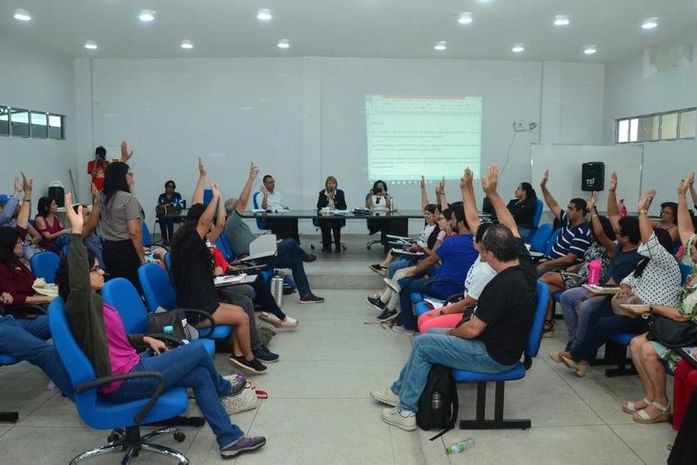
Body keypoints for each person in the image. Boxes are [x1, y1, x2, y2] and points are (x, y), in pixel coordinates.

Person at [56, 194, 266, 458]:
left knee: (200, 375)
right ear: (80, 277)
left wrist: (144, 340)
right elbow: (78, 282)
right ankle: (224, 388)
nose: (101, 272)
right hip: (124, 381)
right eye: (94, 269)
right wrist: (76, 232)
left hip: (134, 366)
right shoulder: (79, 305)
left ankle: (229, 439)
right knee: (199, 351)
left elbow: (112, 339)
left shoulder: (95, 302)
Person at [370, 223, 537, 431]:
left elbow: (472, 330)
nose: (482, 257)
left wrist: (453, 333)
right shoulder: (524, 272)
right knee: (430, 335)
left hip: (494, 356)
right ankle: (399, 390)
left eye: (483, 252)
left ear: (493, 253)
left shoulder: (502, 285)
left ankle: (405, 411)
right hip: (500, 346)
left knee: (423, 344)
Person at [557, 192, 680, 377]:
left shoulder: (667, 263)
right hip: (632, 308)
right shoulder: (645, 262)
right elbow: (628, 280)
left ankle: (576, 355)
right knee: (596, 312)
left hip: (651, 316)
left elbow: (650, 243)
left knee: (604, 323)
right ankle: (581, 358)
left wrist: (643, 211)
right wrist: (625, 288)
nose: (644, 245)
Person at [170, 174, 267, 374]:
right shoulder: (189, 245)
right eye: (207, 221)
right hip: (195, 309)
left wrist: (219, 197)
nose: (212, 225)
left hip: (205, 301)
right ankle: (248, 358)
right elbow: (204, 222)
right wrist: (213, 198)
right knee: (242, 318)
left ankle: (239, 356)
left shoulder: (198, 242)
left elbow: (220, 223)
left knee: (241, 312)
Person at [622, 178, 697, 423]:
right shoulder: (694, 265)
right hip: (679, 325)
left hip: (688, 332)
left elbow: (683, 316)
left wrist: (643, 211)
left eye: (693, 247)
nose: (689, 248)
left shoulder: (669, 263)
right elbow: (686, 231)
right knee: (636, 344)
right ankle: (652, 397)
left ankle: (662, 405)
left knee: (646, 348)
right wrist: (683, 196)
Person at [553, 177, 644, 358]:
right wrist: (609, 194)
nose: (616, 232)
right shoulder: (620, 246)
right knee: (567, 296)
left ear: (626, 238)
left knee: (586, 307)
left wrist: (592, 210)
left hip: (612, 294)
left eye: (619, 233)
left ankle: (578, 350)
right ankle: (575, 340)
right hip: (600, 289)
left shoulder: (636, 256)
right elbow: (612, 217)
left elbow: (601, 233)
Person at [224, 162, 324, 304]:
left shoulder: (239, 224)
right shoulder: (231, 225)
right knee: (290, 242)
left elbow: (249, 239)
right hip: (253, 259)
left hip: (261, 253)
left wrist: (264, 241)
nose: (243, 210)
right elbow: (241, 202)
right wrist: (251, 179)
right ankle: (305, 256)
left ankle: (306, 295)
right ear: (232, 213)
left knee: (295, 260)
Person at [391, 203, 478, 334]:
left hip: (443, 287)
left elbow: (431, 259)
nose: (450, 222)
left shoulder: (451, 241)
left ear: (460, 222)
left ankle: (408, 326)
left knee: (404, 284)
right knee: (423, 268)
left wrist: (413, 272)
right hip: (461, 286)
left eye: (452, 219)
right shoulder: (476, 242)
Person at [537, 169, 592, 336]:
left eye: (570, 208)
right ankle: (547, 324)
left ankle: (545, 324)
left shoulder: (582, 232)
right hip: (553, 264)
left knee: (540, 281)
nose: (566, 211)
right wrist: (543, 186)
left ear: (580, 212)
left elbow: (570, 259)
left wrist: (547, 263)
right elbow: (552, 205)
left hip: (565, 269)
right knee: (545, 286)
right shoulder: (569, 222)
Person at [87, 141, 144, 292]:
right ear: (123, 177)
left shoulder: (102, 195)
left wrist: (123, 160)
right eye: (129, 174)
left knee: (118, 284)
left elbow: (113, 172)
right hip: (125, 250)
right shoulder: (128, 199)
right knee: (131, 287)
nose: (132, 176)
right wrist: (142, 259)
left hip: (108, 249)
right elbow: (134, 232)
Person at [258, 175, 299, 243]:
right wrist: (265, 195)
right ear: (265, 184)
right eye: (270, 182)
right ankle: (284, 242)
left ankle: (295, 242)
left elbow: (284, 206)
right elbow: (263, 208)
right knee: (285, 220)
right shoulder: (260, 195)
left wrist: (287, 210)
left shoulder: (278, 194)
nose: (273, 184)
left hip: (281, 213)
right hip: (270, 216)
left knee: (293, 218)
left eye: (273, 182)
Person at [316, 176, 347, 253]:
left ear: (336, 185)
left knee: (336, 224)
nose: (331, 185)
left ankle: (337, 245)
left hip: (336, 215)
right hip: (325, 215)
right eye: (329, 183)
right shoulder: (322, 193)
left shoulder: (339, 193)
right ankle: (327, 246)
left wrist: (334, 199)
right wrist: (327, 199)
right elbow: (319, 206)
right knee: (324, 224)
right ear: (326, 185)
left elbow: (344, 206)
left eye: (333, 183)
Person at [156, 180, 184, 245]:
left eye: (172, 187)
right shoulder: (162, 196)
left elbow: (181, 205)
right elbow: (159, 206)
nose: (170, 188)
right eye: (169, 186)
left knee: (169, 218)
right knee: (162, 219)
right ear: (165, 187)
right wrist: (166, 205)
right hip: (164, 216)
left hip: (175, 216)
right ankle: (165, 238)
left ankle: (171, 238)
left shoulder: (177, 195)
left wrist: (170, 205)